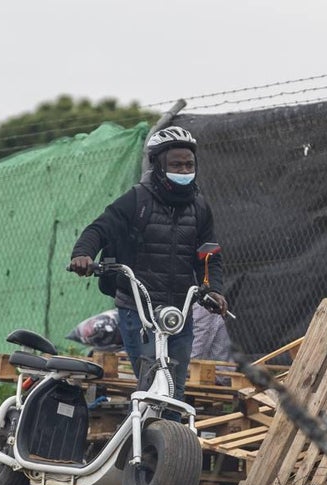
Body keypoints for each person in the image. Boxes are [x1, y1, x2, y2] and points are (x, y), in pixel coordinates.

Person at [69, 126, 228, 405]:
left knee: (175, 391)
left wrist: (213, 289)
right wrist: (83, 254)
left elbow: (209, 256)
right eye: (176, 164)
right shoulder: (137, 200)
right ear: (158, 165)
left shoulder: (199, 207)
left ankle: (168, 446)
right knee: (150, 381)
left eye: (189, 164)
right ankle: (142, 440)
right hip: (137, 309)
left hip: (179, 310)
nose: (184, 169)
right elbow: (99, 229)